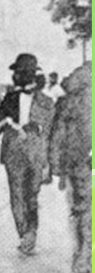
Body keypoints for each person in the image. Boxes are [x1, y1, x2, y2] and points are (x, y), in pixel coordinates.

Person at [0, 53, 55, 256]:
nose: (18, 76)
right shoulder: (10, 98)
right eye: (17, 73)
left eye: (22, 72)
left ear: (32, 74)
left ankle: (31, 234)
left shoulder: (46, 101)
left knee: (32, 197)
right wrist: (8, 122)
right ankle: (24, 234)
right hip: (13, 154)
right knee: (17, 196)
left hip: (36, 155)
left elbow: (51, 131)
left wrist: (48, 162)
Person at [46, 62, 90, 273]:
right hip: (79, 165)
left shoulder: (66, 102)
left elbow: (57, 136)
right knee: (82, 213)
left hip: (78, 165)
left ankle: (82, 260)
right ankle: (83, 259)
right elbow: (58, 135)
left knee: (80, 213)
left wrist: (56, 167)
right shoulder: (67, 103)